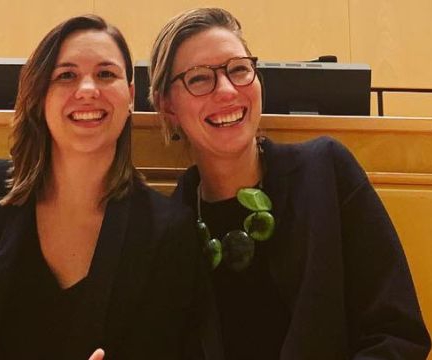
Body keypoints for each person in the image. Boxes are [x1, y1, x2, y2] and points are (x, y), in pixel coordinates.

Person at [149, 7, 431, 360]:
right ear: (168, 107)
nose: (226, 90)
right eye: (199, 78)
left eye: (239, 69)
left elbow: (398, 333)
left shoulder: (326, 171)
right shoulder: (168, 226)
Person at [0, 15, 210, 360]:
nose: (88, 89)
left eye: (106, 74)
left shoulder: (170, 231)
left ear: (130, 98)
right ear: (40, 96)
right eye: (66, 75)